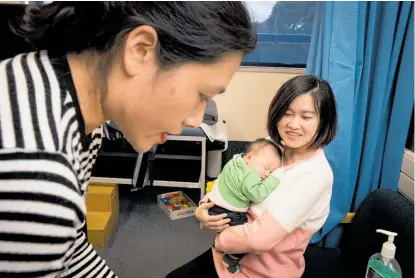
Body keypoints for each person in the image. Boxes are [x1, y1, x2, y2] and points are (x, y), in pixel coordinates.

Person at [0, 2, 256, 277]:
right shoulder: (38, 174)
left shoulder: (79, 113)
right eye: (201, 95)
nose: (196, 119)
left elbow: (73, 248)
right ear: (140, 50)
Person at [165, 74, 338, 278]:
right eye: (287, 113)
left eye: (306, 117)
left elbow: (259, 239)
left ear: (323, 122)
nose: (293, 124)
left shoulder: (314, 177)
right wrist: (205, 207)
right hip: (225, 256)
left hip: (261, 272)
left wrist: (221, 240)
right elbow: (232, 175)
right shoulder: (272, 146)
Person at [207, 138, 284, 273]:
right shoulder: (250, 175)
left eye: (271, 172)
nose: (267, 174)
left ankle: (221, 244)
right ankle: (230, 259)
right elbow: (257, 194)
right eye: (266, 168)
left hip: (213, 204)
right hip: (229, 211)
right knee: (241, 239)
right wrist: (273, 179)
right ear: (249, 157)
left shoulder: (235, 160)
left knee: (227, 232)